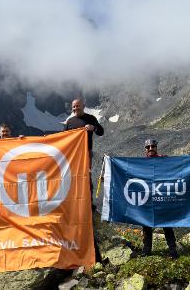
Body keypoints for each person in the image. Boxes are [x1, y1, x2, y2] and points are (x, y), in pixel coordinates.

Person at [63, 98, 104, 263]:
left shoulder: (90, 118)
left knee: (86, 176)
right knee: (74, 179)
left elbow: (101, 131)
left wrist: (93, 128)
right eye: (73, 106)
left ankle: (89, 202)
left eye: (77, 106)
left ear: (83, 107)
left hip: (86, 153)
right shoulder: (70, 121)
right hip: (73, 156)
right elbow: (63, 138)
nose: (75, 108)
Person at [142, 139, 179, 259]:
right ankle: (146, 251)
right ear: (145, 149)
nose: (151, 148)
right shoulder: (140, 163)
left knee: (167, 225)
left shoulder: (164, 159)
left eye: (153, 146)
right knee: (146, 226)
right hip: (147, 200)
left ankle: (173, 251)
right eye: (148, 147)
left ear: (156, 147)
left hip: (162, 197)